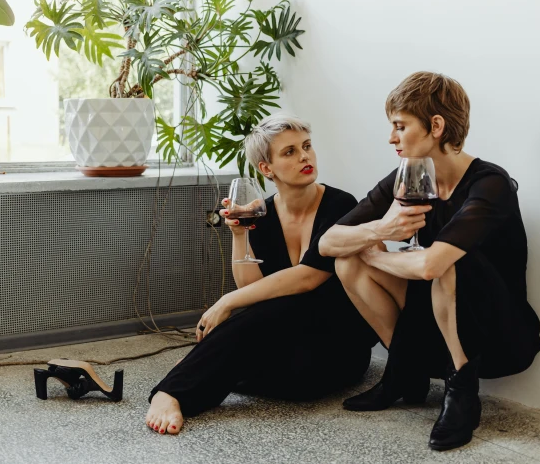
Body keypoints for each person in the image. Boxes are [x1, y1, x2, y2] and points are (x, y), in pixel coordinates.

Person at [319, 72, 540, 451]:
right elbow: (327, 243)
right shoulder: (411, 175)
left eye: (400, 126)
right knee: (347, 262)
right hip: (433, 313)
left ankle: (462, 390)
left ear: (436, 126)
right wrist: (379, 231)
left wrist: (374, 252)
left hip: (498, 332)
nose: (392, 138)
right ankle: (406, 372)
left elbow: (430, 266)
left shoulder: (491, 184)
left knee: (447, 261)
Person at [145, 113, 378, 435]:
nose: (305, 156)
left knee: (295, 330)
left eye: (306, 146)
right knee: (278, 329)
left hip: (340, 339)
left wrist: (225, 301)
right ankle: (173, 391)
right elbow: (253, 289)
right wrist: (240, 236)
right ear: (266, 168)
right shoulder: (263, 214)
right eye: (290, 152)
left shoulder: (341, 205)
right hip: (288, 339)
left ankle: (198, 367)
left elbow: (310, 277)